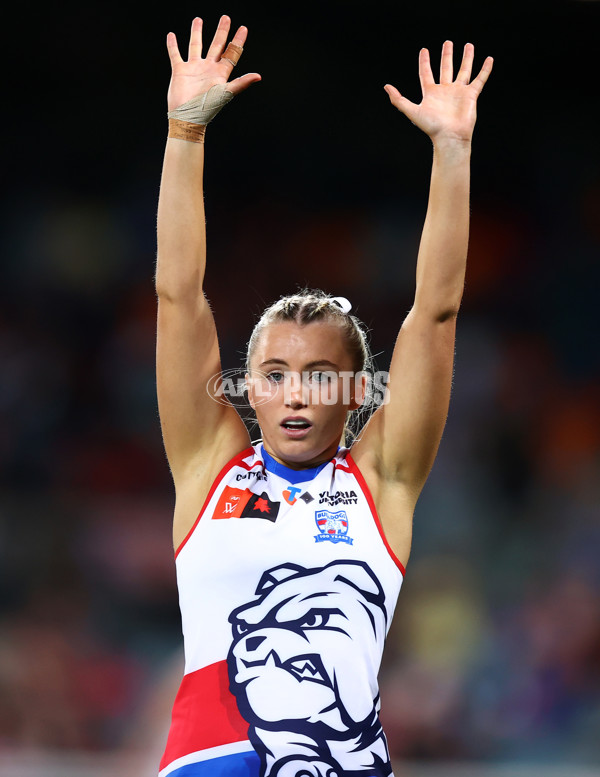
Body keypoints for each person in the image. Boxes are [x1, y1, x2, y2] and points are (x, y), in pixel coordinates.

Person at [155, 14, 492, 777]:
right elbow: (177, 297)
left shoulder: (381, 481)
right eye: (275, 373)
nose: (295, 394)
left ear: (356, 393)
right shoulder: (209, 465)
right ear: (249, 387)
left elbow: (435, 313)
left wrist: (452, 151)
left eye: (318, 374)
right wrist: (184, 135)